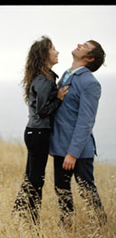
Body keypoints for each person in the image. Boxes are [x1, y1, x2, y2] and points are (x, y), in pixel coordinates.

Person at [49, 40, 107, 227]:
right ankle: (66, 231)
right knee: (62, 192)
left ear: (89, 58)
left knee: (87, 192)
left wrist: (73, 153)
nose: (79, 44)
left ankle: (102, 230)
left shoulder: (90, 83)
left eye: (85, 46)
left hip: (78, 152)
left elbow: (86, 121)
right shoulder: (66, 74)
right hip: (59, 147)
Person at [13, 36, 69, 225]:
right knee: (36, 180)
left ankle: (19, 215)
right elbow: (42, 110)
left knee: (31, 178)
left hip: (33, 132)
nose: (57, 52)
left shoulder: (43, 77)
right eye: (54, 49)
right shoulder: (44, 79)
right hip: (38, 134)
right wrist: (59, 98)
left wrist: (56, 91)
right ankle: (32, 223)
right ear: (45, 54)